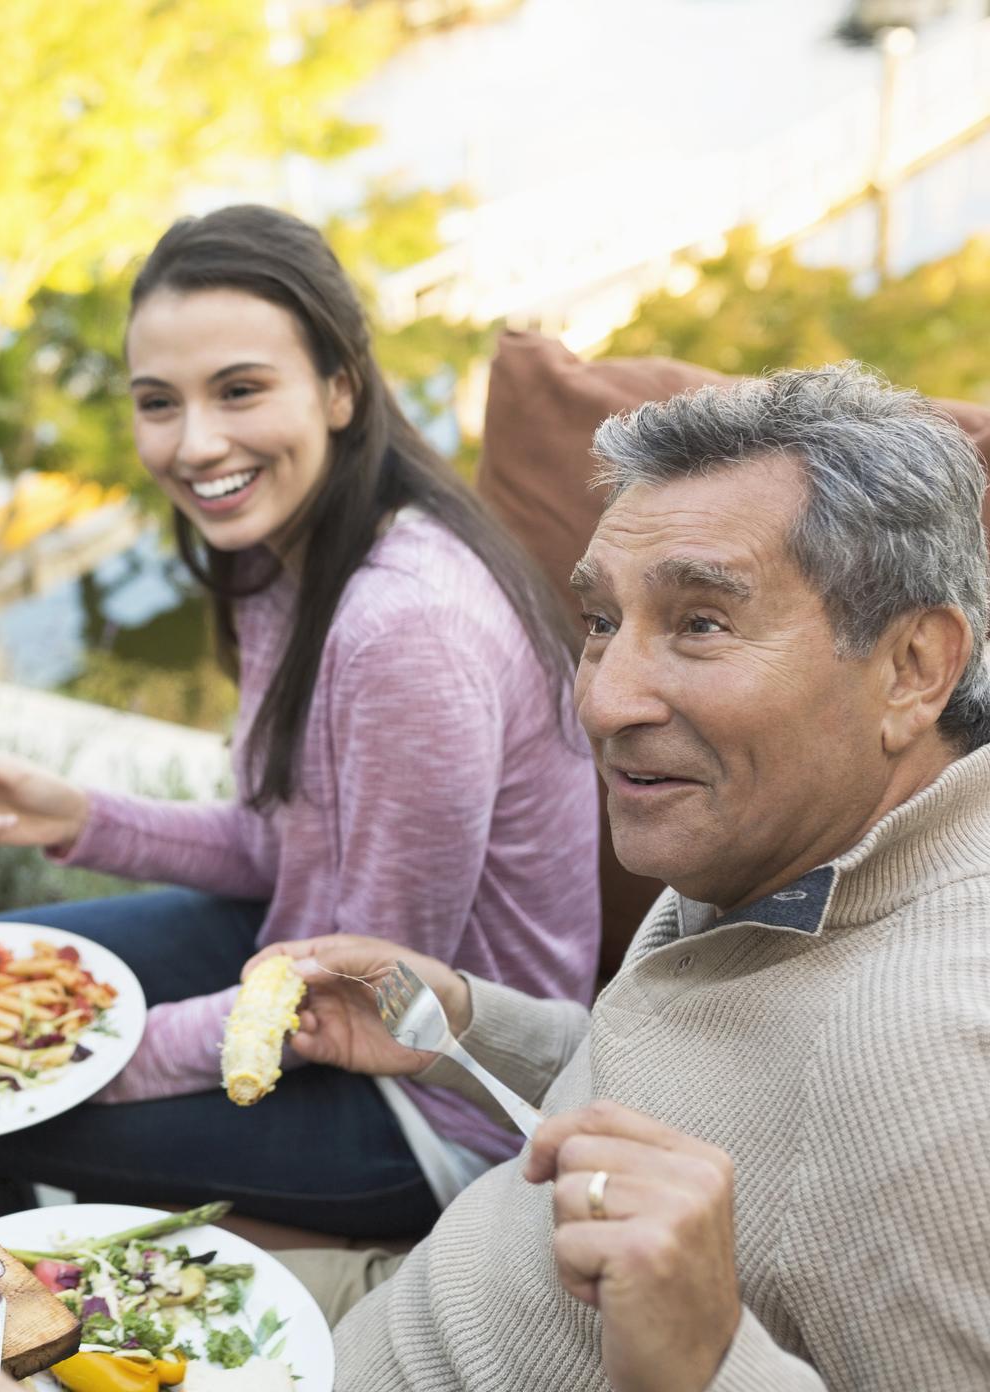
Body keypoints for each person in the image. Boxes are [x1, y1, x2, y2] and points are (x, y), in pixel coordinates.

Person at [253, 362, 990, 1389]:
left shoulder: (932, 1076)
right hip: (418, 1291)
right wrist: (464, 1025)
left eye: (700, 622)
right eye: (602, 623)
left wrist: (705, 1363)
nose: (604, 703)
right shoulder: (782, 823)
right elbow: (721, 1094)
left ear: (913, 666)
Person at [0, 205, 601, 1234]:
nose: (194, 443)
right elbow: (285, 848)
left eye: (241, 390)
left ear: (341, 388)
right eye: (157, 403)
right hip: (304, 960)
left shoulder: (410, 629)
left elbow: (366, 986)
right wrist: (71, 815)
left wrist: (63, 1053)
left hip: (431, 1101)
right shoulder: (276, 560)